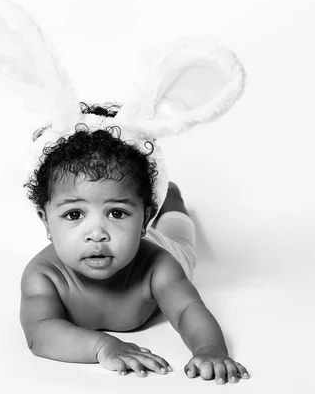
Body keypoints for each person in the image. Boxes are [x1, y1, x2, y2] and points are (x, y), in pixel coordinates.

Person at [20, 111, 250, 385]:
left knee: (179, 231)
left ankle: (172, 199)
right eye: (74, 215)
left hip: (165, 245)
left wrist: (209, 350)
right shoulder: (44, 276)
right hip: (133, 238)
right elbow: (40, 332)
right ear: (45, 220)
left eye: (116, 213)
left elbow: (187, 309)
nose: (97, 234)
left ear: (144, 219)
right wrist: (103, 346)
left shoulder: (159, 266)